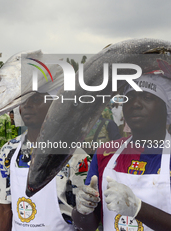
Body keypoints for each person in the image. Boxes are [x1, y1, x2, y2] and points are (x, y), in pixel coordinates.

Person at [72, 74, 171, 231]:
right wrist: (83, 210)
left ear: (167, 107)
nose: (135, 104)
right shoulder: (105, 153)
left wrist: (138, 208)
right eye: (129, 97)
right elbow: (87, 225)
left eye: (147, 96)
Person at [0, 92, 91, 231]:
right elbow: (3, 207)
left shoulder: (75, 155)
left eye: (37, 99)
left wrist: (86, 209)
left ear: (56, 105)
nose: (27, 105)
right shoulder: (9, 150)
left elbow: (87, 220)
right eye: (24, 100)